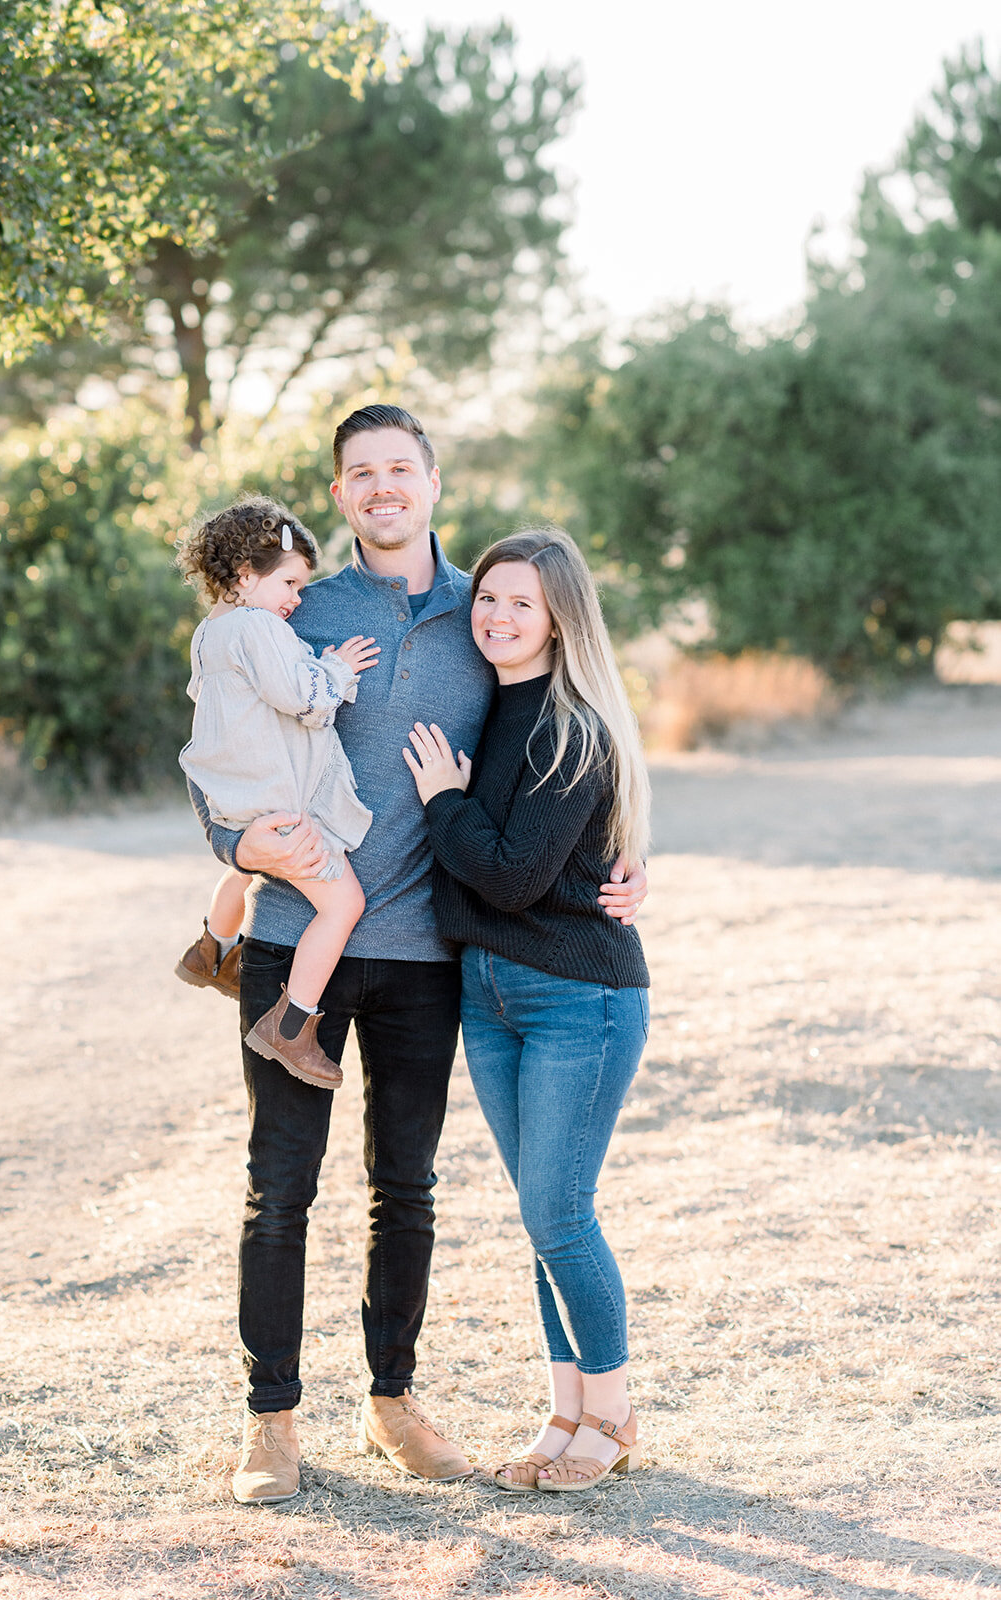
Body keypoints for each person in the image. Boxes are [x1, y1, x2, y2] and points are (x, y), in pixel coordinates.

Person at [187, 406, 648, 1504]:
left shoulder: (493, 608)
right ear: (338, 495)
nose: (382, 487)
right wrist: (232, 842)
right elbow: (225, 758)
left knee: (408, 1188)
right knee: (278, 1187)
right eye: (360, 473)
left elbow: (561, 746)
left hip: (433, 952)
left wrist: (622, 863)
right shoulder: (293, 607)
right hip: (299, 936)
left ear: (434, 480)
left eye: (401, 467)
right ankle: (272, 1423)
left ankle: (393, 1400)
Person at [404, 527, 650, 1494]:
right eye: (489, 599)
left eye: (522, 604)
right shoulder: (488, 707)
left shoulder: (569, 725)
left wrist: (444, 802)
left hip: (576, 997)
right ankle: (567, 1408)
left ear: (559, 621)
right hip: (488, 993)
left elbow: (508, 877)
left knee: (560, 1213)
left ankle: (615, 1412)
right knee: (539, 1216)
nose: (498, 617)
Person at [175, 497, 379, 1087]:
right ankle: (291, 1024)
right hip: (278, 808)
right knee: (343, 905)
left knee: (247, 867)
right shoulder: (260, 627)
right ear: (245, 575)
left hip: (237, 803)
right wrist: (336, 669)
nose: (296, 598)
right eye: (289, 582)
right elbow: (305, 700)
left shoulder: (210, 631)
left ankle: (211, 948)